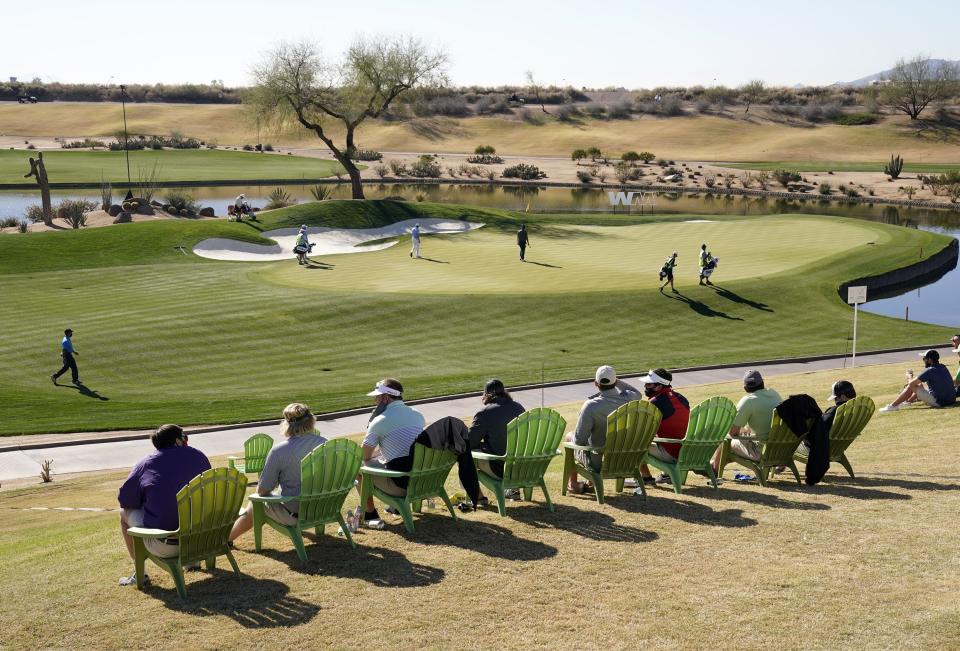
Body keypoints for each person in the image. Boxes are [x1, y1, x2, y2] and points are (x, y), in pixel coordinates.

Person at [117, 424, 211, 586]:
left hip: (167, 545)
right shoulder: (199, 456)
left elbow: (126, 501)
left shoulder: (146, 464)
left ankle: (140, 573)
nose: (186, 441)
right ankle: (192, 562)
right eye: (184, 438)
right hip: (204, 538)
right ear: (177, 441)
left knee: (123, 515)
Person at [229, 403, 326, 542]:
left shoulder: (280, 451)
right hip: (323, 509)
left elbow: (262, 490)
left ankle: (227, 539)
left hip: (296, 513)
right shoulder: (325, 444)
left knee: (255, 501)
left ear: (287, 424)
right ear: (311, 421)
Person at [359, 378, 425, 528]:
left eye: (377, 397)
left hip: (401, 484)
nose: (374, 401)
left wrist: (372, 424)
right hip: (420, 480)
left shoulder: (380, 420)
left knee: (358, 468)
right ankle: (394, 507)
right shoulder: (417, 414)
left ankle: (370, 514)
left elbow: (363, 456)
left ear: (385, 398)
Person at [565, 365, 642, 493]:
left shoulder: (591, 406)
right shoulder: (628, 399)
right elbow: (638, 394)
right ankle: (590, 483)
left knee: (570, 436)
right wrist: (617, 382)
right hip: (624, 458)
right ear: (615, 381)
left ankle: (573, 485)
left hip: (598, 462)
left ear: (596, 383)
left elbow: (579, 440)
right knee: (595, 440)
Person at [710, 370, 782, 472]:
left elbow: (732, 432)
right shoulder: (774, 394)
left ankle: (714, 469)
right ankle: (714, 464)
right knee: (736, 444)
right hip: (780, 449)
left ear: (745, 387)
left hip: (761, 451)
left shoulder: (748, 401)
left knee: (726, 442)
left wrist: (742, 431)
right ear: (762, 382)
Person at [469, 379, 525, 502]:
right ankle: (513, 490)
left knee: (464, 454)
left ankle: (478, 497)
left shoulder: (485, 413)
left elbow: (469, 443)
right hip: (521, 467)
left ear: (486, 395)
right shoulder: (519, 408)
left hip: (499, 468)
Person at [637, 368, 691, 483]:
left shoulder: (655, 403)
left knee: (633, 442)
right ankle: (666, 475)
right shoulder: (681, 398)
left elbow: (642, 430)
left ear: (659, 386)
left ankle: (646, 477)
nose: (645, 386)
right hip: (686, 451)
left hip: (671, 453)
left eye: (649, 384)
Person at [880, 349, 956, 412]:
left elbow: (911, 383)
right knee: (919, 385)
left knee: (911, 386)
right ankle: (907, 401)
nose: (923, 360)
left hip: (940, 402)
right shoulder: (943, 367)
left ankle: (893, 406)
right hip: (951, 400)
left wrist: (909, 376)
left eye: (924, 359)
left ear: (929, 360)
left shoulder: (930, 370)